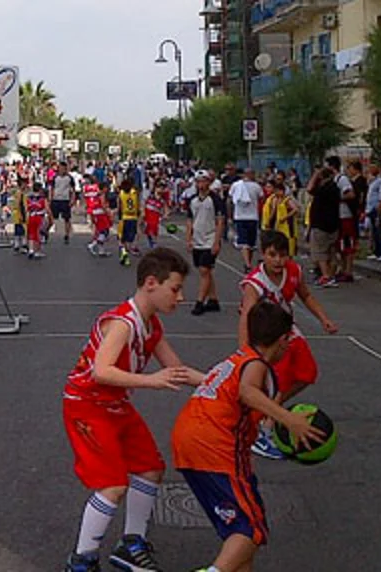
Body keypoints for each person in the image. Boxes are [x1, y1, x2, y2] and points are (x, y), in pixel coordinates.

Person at [61, 248, 205, 572]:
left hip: (114, 404)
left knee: (150, 468)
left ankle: (131, 544)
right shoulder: (123, 324)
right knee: (112, 485)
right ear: (151, 283)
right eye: (175, 289)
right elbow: (101, 371)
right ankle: (82, 561)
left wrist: (219, 383)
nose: (180, 297)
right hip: (87, 405)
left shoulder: (151, 326)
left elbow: (177, 370)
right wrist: (151, 381)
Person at [172, 301, 325, 572]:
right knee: (251, 529)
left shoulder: (238, 358)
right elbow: (247, 392)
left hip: (190, 441)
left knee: (238, 534)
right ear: (282, 340)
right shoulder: (256, 365)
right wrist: (289, 419)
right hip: (216, 445)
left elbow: (231, 391)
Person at [239, 231, 338, 459]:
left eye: (283, 255)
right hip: (268, 339)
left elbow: (306, 295)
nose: (278, 260)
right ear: (263, 254)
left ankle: (267, 411)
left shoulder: (294, 271)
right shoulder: (255, 283)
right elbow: (246, 317)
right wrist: (245, 352)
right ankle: (263, 430)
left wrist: (323, 319)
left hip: (288, 331)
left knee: (307, 373)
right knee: (277, 382)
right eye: (272, 255)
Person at [187, 172, 225, 316]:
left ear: (209, 182)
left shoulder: (215, 200)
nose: (201, 184)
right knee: (205, 271)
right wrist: (189, 239)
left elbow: (220, 221)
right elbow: (190, 220)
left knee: (204, 269)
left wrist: (216, 242)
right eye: (199, 182)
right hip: (197, 239)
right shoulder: (193, 200)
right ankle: (213, 299)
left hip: (210, 239)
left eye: (204, 181)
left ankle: (200, 302)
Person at [228, 169, 263, 272]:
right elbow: (261, 199)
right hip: (251, 217)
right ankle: (247, 264)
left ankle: (248, 263)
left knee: (247, 243)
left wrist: (230, 215)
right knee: (247, 242)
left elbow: (230, 200)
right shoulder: (257, 186)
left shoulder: (236, 185)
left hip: (241, 217)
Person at [117, 178, 140, 267]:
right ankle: (126, 254)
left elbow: (120, 206)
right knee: (130, 239)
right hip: (133, 218)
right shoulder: (135, 193)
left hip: (124, 217)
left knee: (122, 239)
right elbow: (137, 205)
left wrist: (119, 217)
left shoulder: (121, 194)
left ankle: (124, 254)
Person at [50, 162, 75, 244]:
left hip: (65, 200)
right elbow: (52, 188)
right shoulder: (55, 177)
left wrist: (72, 199)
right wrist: (50, 198)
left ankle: (66, 235)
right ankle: (45, 232)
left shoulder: (69, 178)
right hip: (56, 199)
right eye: (60, 168)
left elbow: (73, 190)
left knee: (67, 219)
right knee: (52, 217)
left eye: (63, 168)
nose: (61, 170)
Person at [26, 182, 48, 260]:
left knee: (31, 233)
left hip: (31, 216)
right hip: (39, 217)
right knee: (38, 234)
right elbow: (46, 208)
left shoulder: (28, 197)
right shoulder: (42, 198)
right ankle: (37, 251)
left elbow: (27, 208)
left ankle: (31, 250)